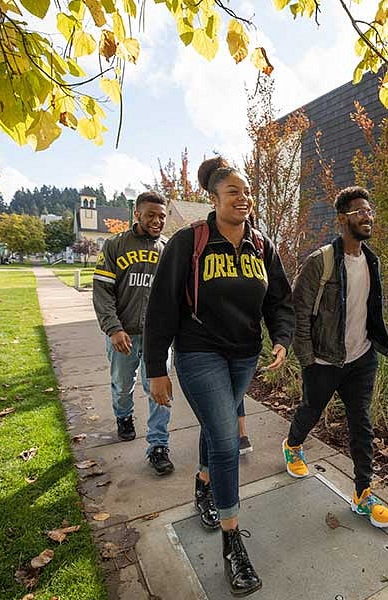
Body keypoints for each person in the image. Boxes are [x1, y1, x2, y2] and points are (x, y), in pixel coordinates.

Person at [144, 157, 294, 597]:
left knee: (219, 424)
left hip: (243, 356)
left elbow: (279, 300)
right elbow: (161, 308)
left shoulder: (262, 245)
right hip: (198, 351)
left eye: (248, 192)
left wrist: (281, 336)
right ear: (213, 198)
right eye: (234, 191)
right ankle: (232, 544)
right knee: (228, 440)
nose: (244, 198)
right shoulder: (189, 242)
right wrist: (156, 370)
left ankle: (203, 484)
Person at [283, 186, 388, 528]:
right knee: (311, 410)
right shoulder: (321, 262)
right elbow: (298, 312)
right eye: (360, 211)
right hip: (325, 359)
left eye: (369, 210)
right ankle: (292, 445)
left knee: (361, 423)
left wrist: (374, 345)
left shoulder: (372, 261)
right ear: (342, 219)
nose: (368, 216)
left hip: (361, 358)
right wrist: (306, 359)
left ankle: (363, 494)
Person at [93, 191, 174, 476]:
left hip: (157, 339)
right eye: (151, 214)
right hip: (123, 334)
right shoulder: (115, 246)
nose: (157, 221)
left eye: (162, 216)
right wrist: (113, 328)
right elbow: (102, 293)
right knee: (122, 384)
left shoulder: (167, 250)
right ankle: (124, 416)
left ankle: (158, 446)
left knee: (159, 392)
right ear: (137, 214)